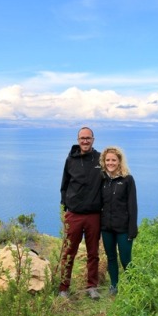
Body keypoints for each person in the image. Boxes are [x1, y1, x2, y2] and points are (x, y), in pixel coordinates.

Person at [59, 126, 102, 300]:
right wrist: (65, 209)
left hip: (94, 214)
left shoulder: (100, 159)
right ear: (78, 140)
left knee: (93, 253)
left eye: (88, 138)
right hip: (74, 214)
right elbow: (64, 184)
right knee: (69, 253)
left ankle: (92, 286)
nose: (85, 141)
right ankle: (63, 287)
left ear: (93, 139)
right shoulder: (71, 160)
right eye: (82, 138)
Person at [99, 146, 138, 296]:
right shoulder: (102, 179)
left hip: (123, 228)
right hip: (106, 227)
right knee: (111, 257)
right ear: (104, 161)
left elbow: (132, 205)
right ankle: (114, 285)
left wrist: (132, 228)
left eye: (113, 160)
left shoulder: (128, 179)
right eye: (107, 160)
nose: (110, 162)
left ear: (119, 161)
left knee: (126, 259)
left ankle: (133, 286)